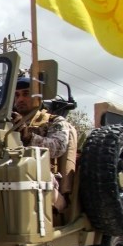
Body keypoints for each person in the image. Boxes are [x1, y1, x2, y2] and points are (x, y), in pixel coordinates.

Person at [11, 75, 75, 211]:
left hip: (46, 180)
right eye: (16, 95)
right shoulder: (8, 122)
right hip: (12, 174)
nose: (20, 99)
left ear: (38, 97)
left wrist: (27, 136)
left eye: (26, 94)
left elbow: (58, 147)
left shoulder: (54, 121)